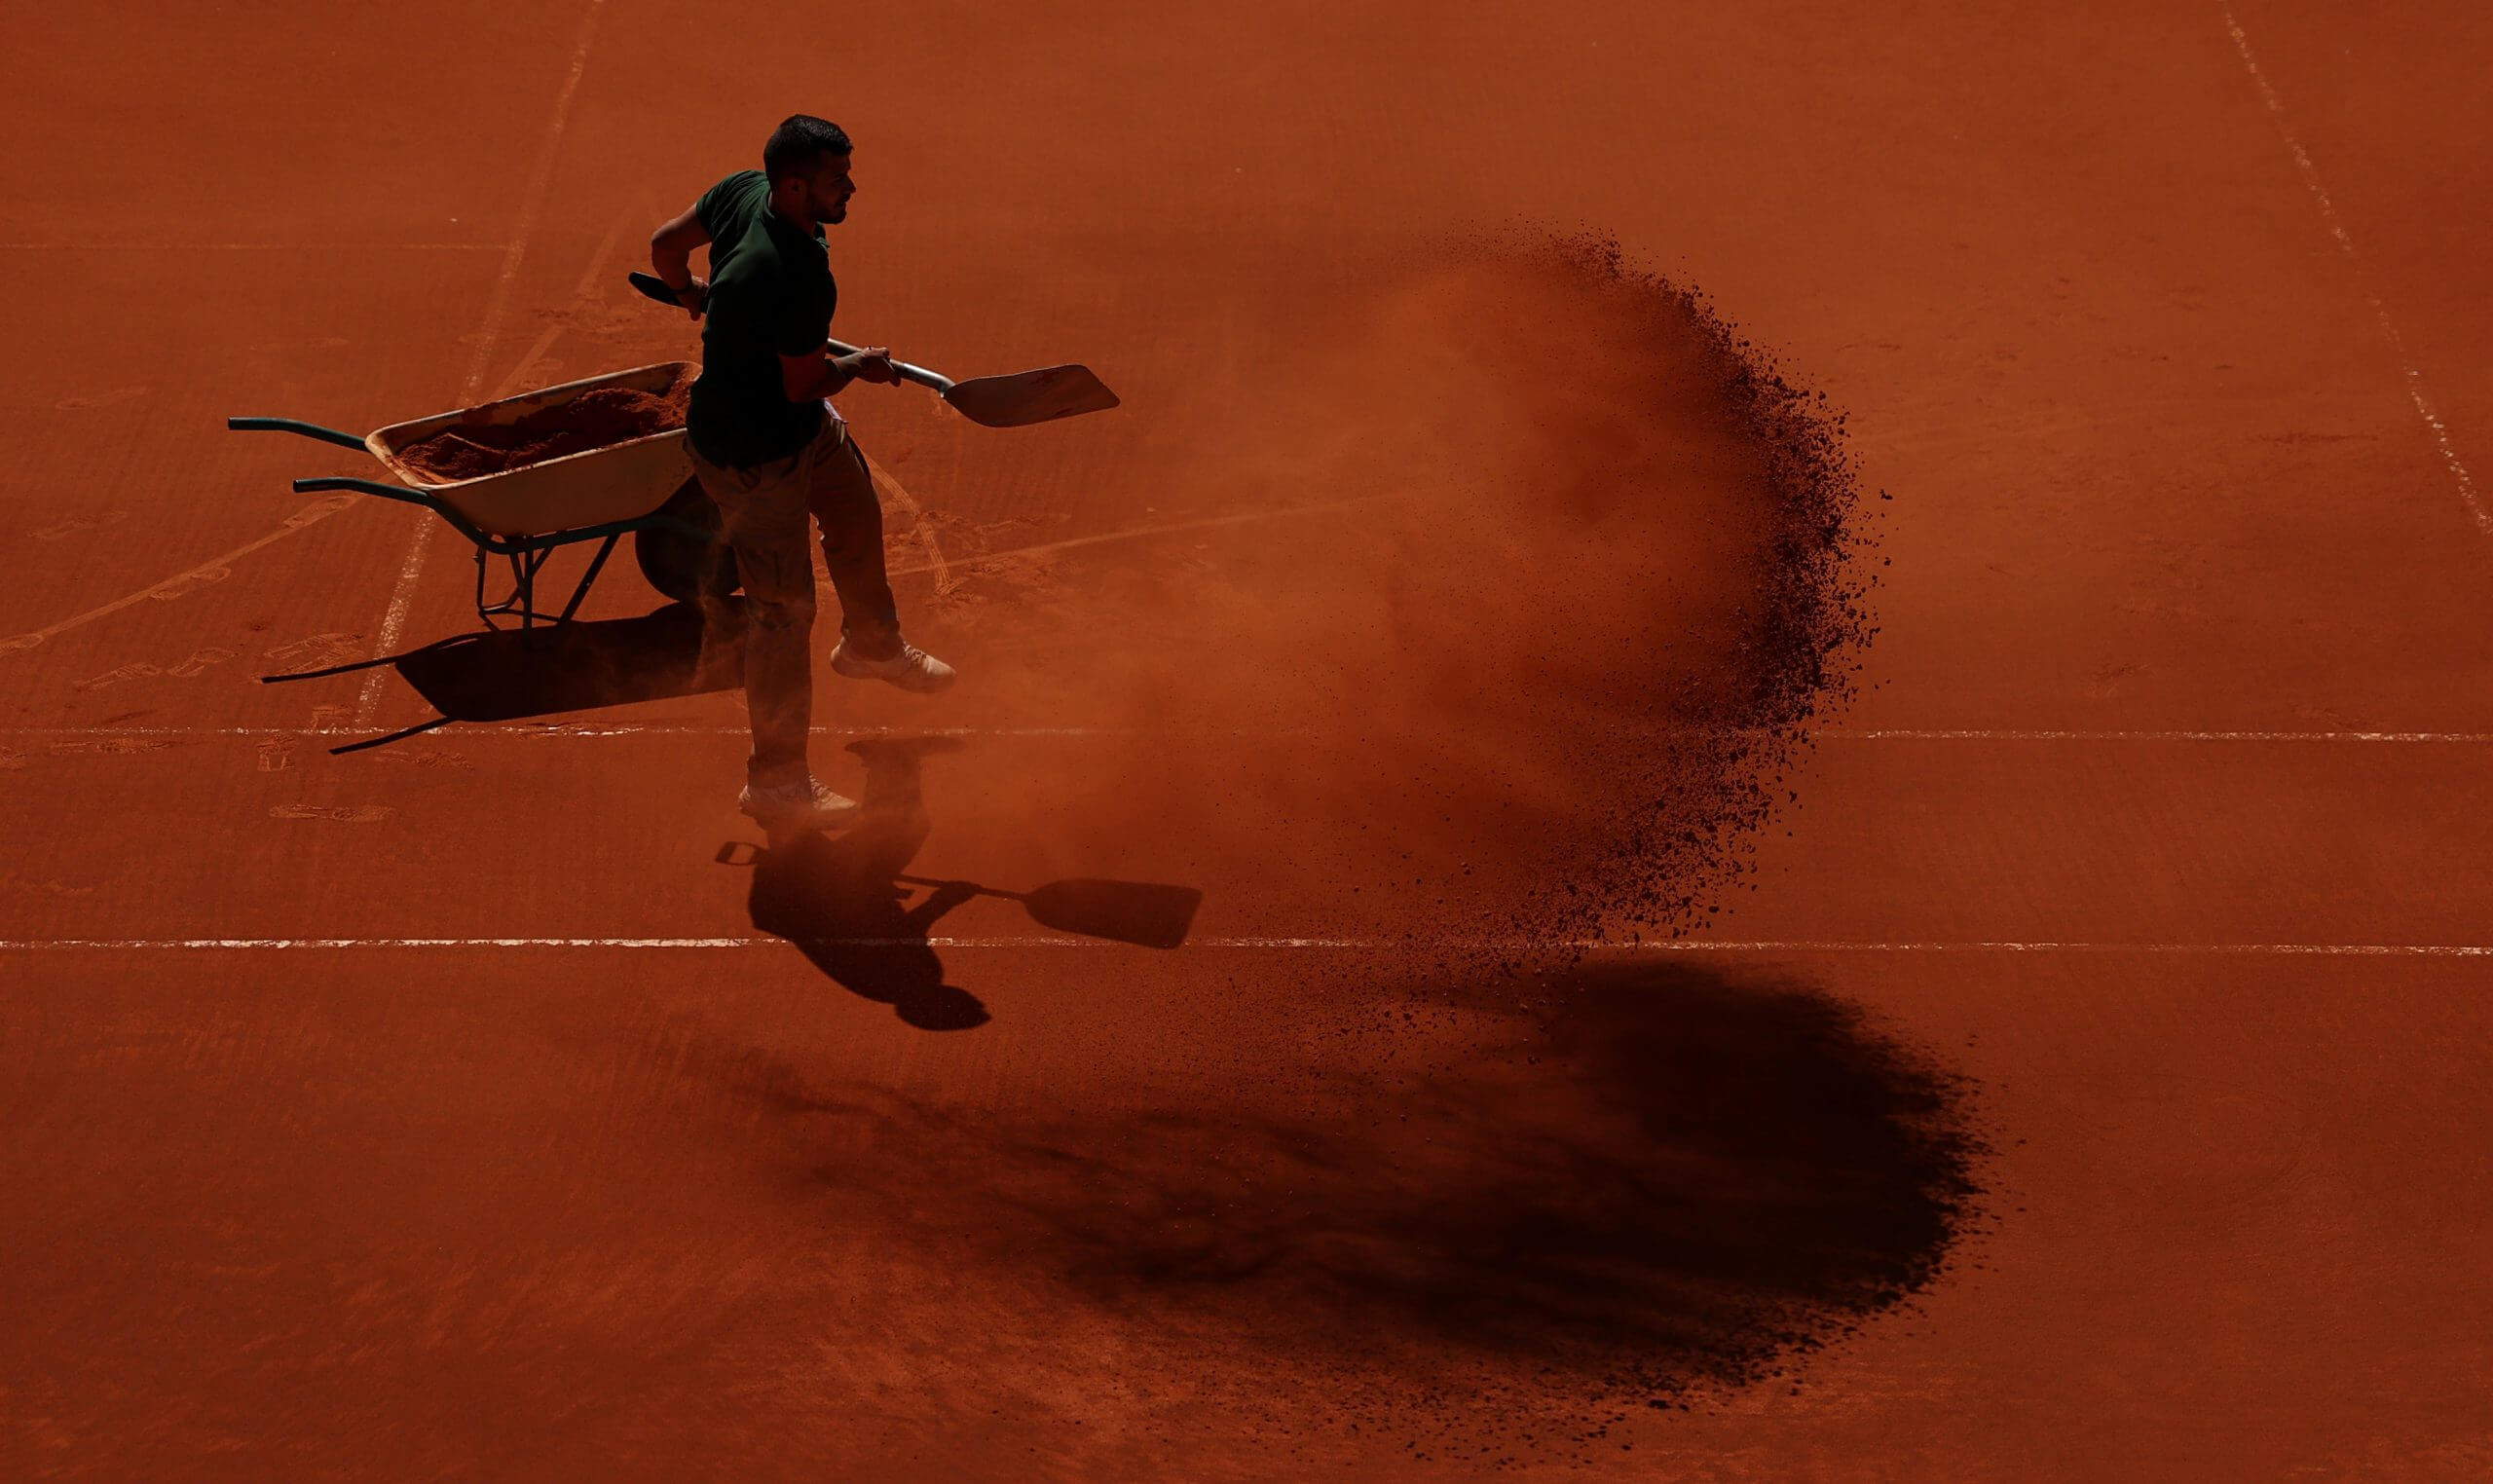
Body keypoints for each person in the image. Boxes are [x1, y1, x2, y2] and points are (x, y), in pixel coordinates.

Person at [647, 113, 955, 831]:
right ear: (793, 184)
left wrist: (691, 291)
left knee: (854, 512)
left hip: (796, 431)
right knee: (782, 617)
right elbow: (804, 383)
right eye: (836, 179)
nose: (852, 187)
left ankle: (872, 646)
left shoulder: (741, 189)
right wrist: (862, 366)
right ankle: (776, 780)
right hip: (752, 455)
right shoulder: (794, 273)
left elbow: (666, 248)